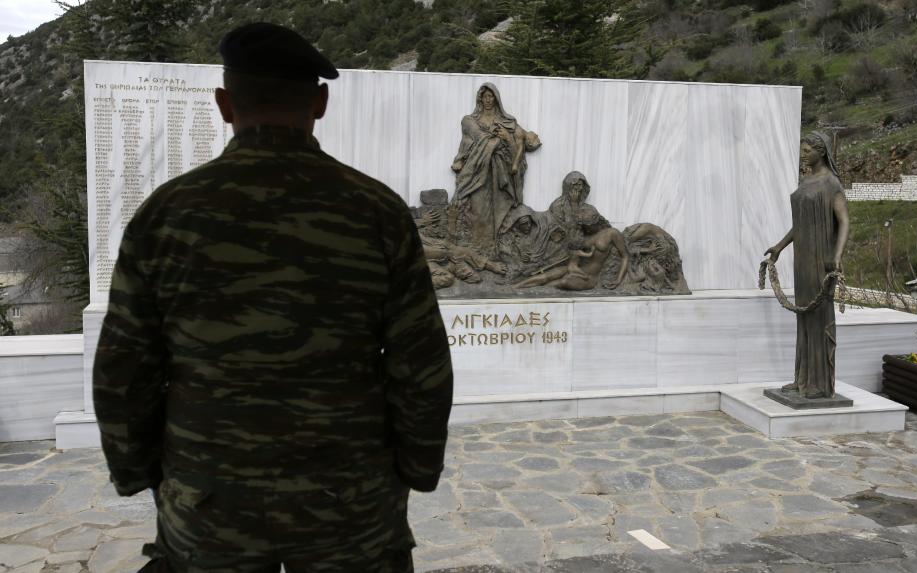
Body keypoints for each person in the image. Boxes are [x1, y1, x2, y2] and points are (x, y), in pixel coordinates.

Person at [93, 23, 453, 573]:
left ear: (223, 105)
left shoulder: (167, 215)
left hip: (209, 499)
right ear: (321, 101)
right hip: (348, 501)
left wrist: (138, 472)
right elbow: (421, 361)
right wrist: (417, 467)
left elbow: (123, 366)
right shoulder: (375, 212)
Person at [765, 131, 849, 399]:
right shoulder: (806, 181)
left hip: (822, 259)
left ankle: (820, 384)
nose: (803, 154)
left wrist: (837, 256)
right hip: (802, 257)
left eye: (808, 150)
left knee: (818, 318)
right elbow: (799, 225)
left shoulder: (831, 183)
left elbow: (845, 221)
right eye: (802, 150)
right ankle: (802, 379)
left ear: (821, 151)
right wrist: (779, 247)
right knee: (804, 319)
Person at [450, 83, 537, 255]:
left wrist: (510, 139)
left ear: (496, 99)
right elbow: (475, 140)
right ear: (480, 99)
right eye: (485, 96)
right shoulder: (470, 121)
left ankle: (495, 250)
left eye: (491, 96)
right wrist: (498, 140)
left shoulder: (507, 121)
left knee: (499, 212)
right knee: (479, 210)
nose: (488, 100)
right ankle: (478, 252)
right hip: (478, 172)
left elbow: (526, 142)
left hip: (500, 174)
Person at [515, 205, 628, 291]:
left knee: (563, 281)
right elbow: (570, 248)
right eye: (583, 225)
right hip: (574, 268)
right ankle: (515, 287)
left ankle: (535, 291)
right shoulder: (584, 235)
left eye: (587, 225)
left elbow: (625, 256)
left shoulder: (611, 233)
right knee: (547, 276)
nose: (585, 228)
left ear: (595, 222)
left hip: (589, 277)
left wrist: (618, 279)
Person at [548, 171, 591, 249]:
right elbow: (566, 228)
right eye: (577, 185)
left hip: (581, 239)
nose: (580, 188)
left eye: (581, 185)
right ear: (569, 186)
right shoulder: (558, 205)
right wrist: (574, 204)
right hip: (566, 243)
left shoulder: (583, 205)